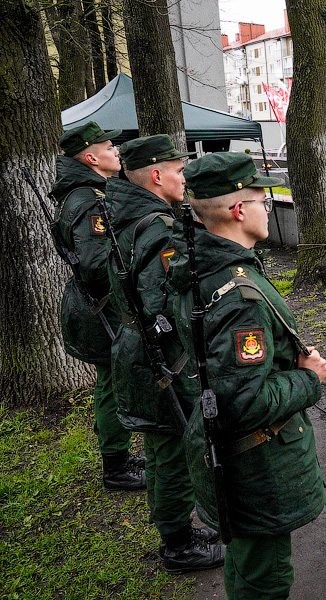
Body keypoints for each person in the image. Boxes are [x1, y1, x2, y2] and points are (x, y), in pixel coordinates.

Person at [169, 153, 326, 599]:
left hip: (225, 451)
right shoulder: (240, 295)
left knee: (245, 561)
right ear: (239, 210)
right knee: (266, 575)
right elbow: (243, 399)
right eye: (264, 199)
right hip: (254, 463)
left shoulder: (200, 266)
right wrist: (308, 378)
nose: (268, 207)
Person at [105, 135, 225, 574]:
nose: (184, 177)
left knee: (161, 450)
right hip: (158, 358)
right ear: (156, 175)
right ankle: (178, 545)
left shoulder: (124, 214)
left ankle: (174, 531)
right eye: (178, 170)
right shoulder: (156, 227)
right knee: (172, 451)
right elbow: (165, 305)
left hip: (135, 348)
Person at [51, 121, 145, 491]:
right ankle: (116, 466)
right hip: (101, 308)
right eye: (110, 147)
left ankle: (117, 453)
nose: (117, 152)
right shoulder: (90, 199)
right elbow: (95, 265)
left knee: (111, 382)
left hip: (95, 305)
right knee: (111, 383)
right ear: (91, 157)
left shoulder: (87, 192)